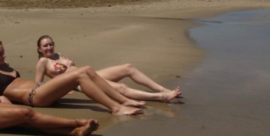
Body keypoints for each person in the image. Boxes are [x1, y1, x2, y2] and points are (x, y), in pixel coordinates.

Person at [0, 40, 144, 116]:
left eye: (3, 51)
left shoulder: (5, 67)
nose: (4, 55)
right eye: (0, 53)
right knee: (80, 74)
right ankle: (116, 108)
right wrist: (0, 97)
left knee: (86, 69)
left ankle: (123, 100)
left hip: (40, 90)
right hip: (34, 97)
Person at [35, 35, 182, 102]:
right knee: (122, 87)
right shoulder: (43, 61)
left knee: (128, 67)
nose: (49, 47)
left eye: (51, 44)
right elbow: (39, 86)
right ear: (39, 49)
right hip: (82, 82)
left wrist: (70, 64)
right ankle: (161, 97)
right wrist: (65, 90)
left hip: (91, 74)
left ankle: (162, 89)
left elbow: (70, 70)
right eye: (45, 46)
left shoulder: (58, 55)